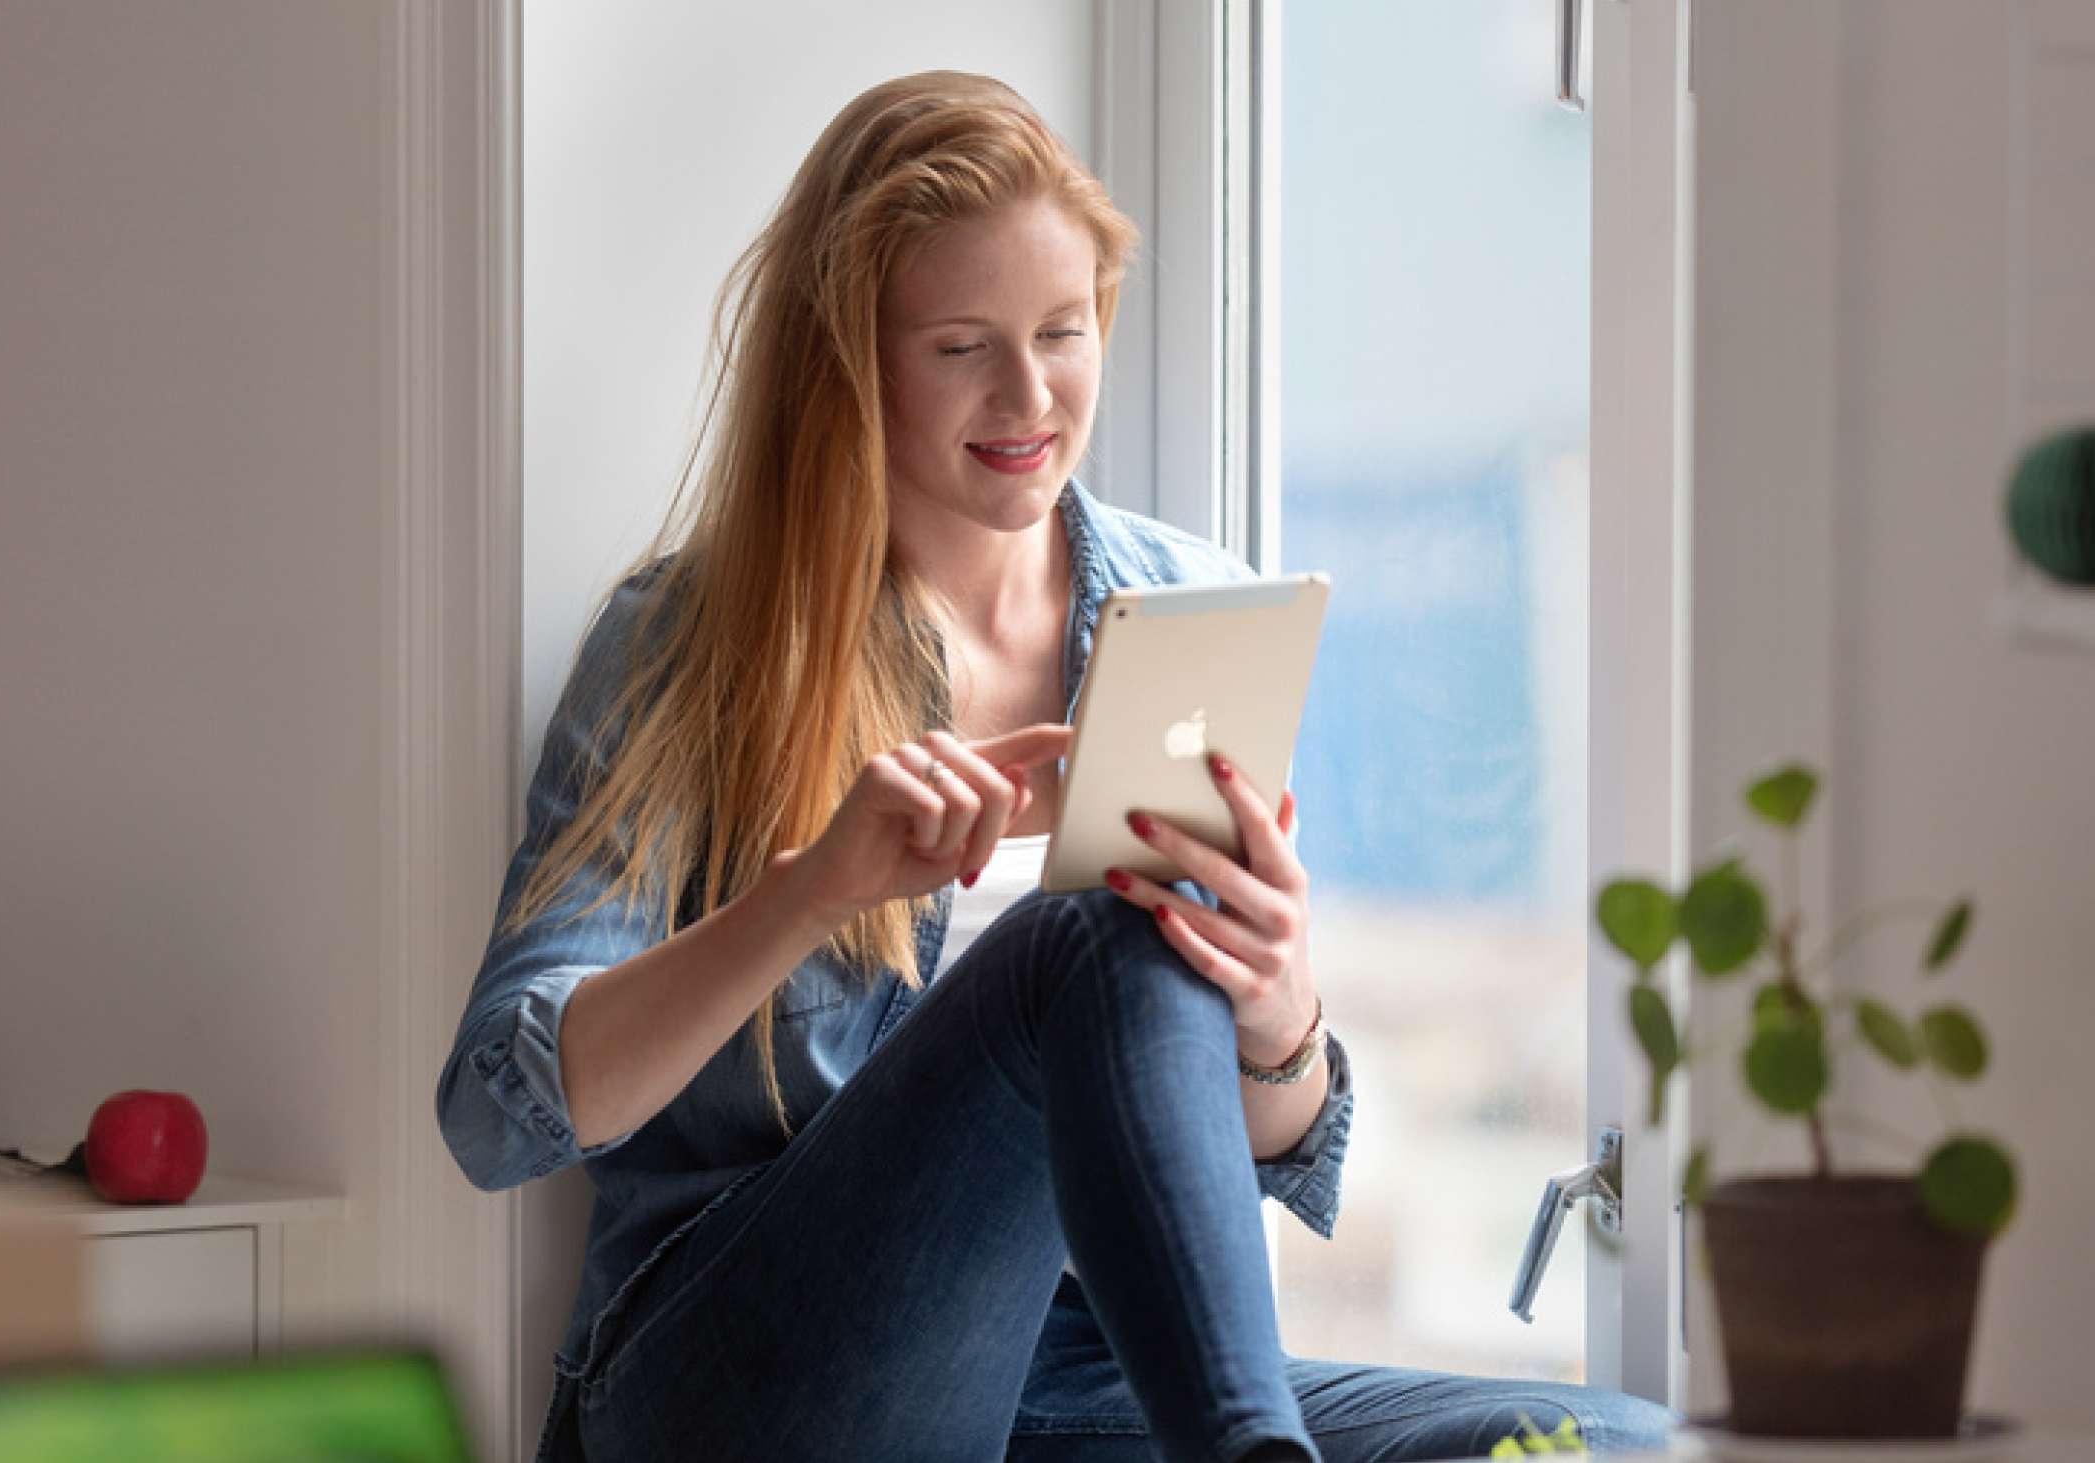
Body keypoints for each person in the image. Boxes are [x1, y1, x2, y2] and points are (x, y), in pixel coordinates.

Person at [438, 70, 1674, 1463]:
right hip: (740, 1378)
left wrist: (1276, 1009)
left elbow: (1268, 1145)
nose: (1030, 393)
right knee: (1081, 939)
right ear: (853, 368)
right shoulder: (694, 641)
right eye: (963, 346)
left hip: (1082, 1384)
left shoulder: (1189, 605)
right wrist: (809, 892)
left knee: (1626, 1441)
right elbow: (499, 1109)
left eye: (1063, 332)